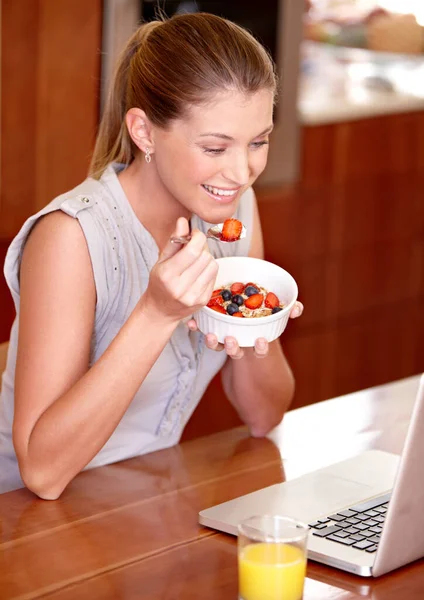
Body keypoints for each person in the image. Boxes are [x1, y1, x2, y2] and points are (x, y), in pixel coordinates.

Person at [0, 13, 303, 499]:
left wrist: (256, 324)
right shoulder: (70, 238)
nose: (243, 171)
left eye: (259, 142)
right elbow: (42, 472)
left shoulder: (233, 208)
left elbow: (265, 416)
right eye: (215, 146)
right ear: (143, 132)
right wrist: (157, 313)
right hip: (24, 518)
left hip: (140, 503)